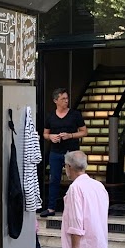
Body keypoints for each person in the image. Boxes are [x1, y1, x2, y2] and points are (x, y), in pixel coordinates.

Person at [41, 88, 87, 217]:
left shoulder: (75, 114)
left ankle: (78, 207)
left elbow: (84, 131)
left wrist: (70, 135)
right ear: (56, 101)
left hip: (72, 152)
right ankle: (51, 208)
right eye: (63, 99)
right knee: (54, 179)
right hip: (55, 151)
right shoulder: (50, 116)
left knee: (76, 178)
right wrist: (51, 137)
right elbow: (45, 133)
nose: (66, 101)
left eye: (67, 98)